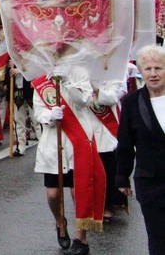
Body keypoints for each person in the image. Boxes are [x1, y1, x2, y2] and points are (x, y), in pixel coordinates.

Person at [32, 67, 111, 255]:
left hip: (79, 141)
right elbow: (38, 112)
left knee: (79, 191)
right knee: (53, 194)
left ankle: (81, 239)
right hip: (53, 143)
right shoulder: (42, 80)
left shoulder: (81, 73)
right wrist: (49, 117)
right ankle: (60, 222)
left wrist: (67, 81)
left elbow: (85, 100)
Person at [116, 44, 165, 255]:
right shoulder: (131, 103)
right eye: (148, 69)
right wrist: (122, 176)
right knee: (157, 240)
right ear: (140, 71)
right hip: (151, 183)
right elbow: (125, 142)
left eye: (159, 68)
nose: (153, 74)